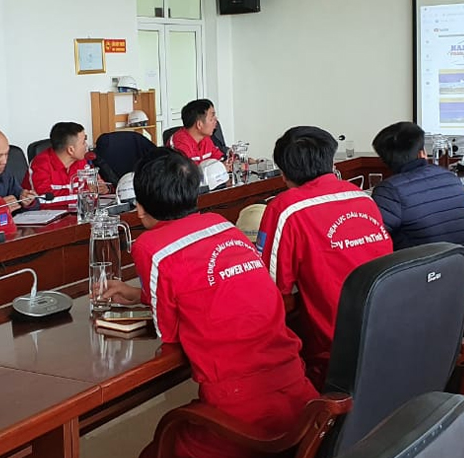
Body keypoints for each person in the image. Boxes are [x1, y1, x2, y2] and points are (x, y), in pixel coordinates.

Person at [101, 149, 318, 458]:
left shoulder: (150, 246)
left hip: (242, 413)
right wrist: (139, 293)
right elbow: (216, 286)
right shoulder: (222, 225)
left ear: (140, 207)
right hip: (299, 394)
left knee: (158, 448)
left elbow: (168, 333)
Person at [256, 126, 392, 387]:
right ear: (332, 163)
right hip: (387, 331)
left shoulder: (285, 208)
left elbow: (271, 286)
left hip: (335, 350)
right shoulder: (363, 198)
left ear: (283, 173)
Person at [370, 121, 464, 294]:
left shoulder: (390, 190)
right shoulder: (449, 177)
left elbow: (373, 240)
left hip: (430, 288)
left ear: (384, 160)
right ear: (422, 152)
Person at [23, 122, 106, 208]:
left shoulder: (81, 161)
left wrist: (103, 188)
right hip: (45, 214)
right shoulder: (40, 164)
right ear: (71, 150)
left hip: (75, 212)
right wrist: (85, 194)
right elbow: (43, 199)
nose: (86, 145)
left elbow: (92, 188)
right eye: (83, 142)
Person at [170, 99, 221, 163]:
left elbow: (218, 157)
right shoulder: (180, 144)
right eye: (211, 118)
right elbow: (187, 168)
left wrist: (226, 163)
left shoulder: (205, 138)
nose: (215, 121)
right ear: (199, 124)